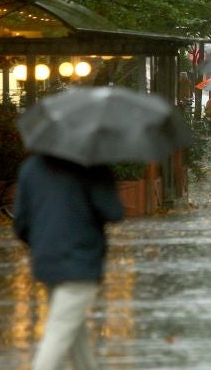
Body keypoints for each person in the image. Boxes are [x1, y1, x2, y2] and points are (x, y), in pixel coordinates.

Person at [13, 155, 124, 370]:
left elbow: (20, 223)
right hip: (80, 262)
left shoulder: (31, 167)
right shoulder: (91, 166)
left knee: (74, 332)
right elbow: (113, 211)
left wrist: (42, 244)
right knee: (60, 330)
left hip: (46, 261)